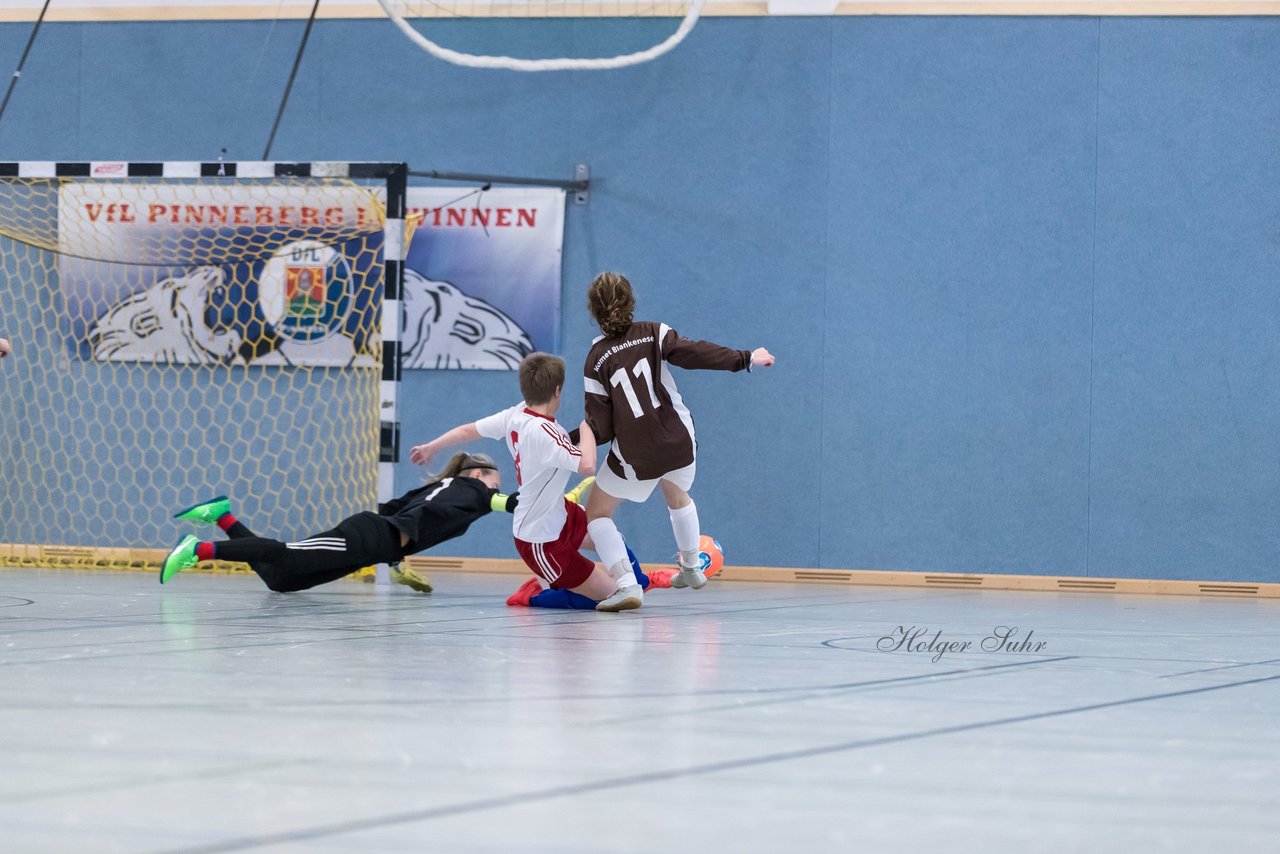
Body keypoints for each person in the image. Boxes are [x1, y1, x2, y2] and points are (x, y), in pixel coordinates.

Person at [580, 271, 775, 610]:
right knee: (677, 493)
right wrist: (747, 358)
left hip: (637, 453)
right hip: (678, 442)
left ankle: (626, 584)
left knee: (596, 514)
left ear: (593, 310)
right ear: (631, 303)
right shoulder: (655, 332)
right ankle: (691, 567)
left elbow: (601, 428)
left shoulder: (596, 359)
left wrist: (565, 438)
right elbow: (697, 353)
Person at [410, 352, 644, 612]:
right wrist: (588, 429)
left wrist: (431, 447)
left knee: (609, 536)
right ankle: (532, 595)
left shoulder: (517, 414)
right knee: (608, 596)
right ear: (557, 391)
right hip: (540, 541)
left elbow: (468, 430)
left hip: (560, 514)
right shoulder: (545, 433)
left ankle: (638, 582)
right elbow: (586, 465)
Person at [159, 452, 508, 591]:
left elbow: (397, 512)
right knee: (286, 554)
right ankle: (198, 550)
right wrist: (526, 502)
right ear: (477, 474)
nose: (494, 489)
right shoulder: (467, 487)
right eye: (495, 482)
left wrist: (396, 560)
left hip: (374, 543)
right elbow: (492, 500)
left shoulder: (445, 490)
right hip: (367, 536)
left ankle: (222, 515)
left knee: (282, 581)